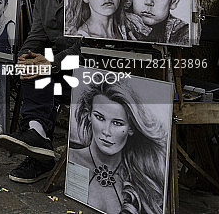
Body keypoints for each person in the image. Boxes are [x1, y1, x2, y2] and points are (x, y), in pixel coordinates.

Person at [0, 0, 80, 183]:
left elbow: (90, 46)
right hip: (59, 71)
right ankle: (37, 137)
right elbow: (36, 36)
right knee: (32, 69)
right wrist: (25, 58)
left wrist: (50, 63)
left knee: (43, 72)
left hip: (88, 68)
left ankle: (38, 147)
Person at [68, 80, 167, 214]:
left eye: (117, 123)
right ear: (89, 115)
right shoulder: (71, 158)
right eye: (99, 117)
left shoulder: (141, 178)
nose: (106, 132)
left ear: (131, 128)